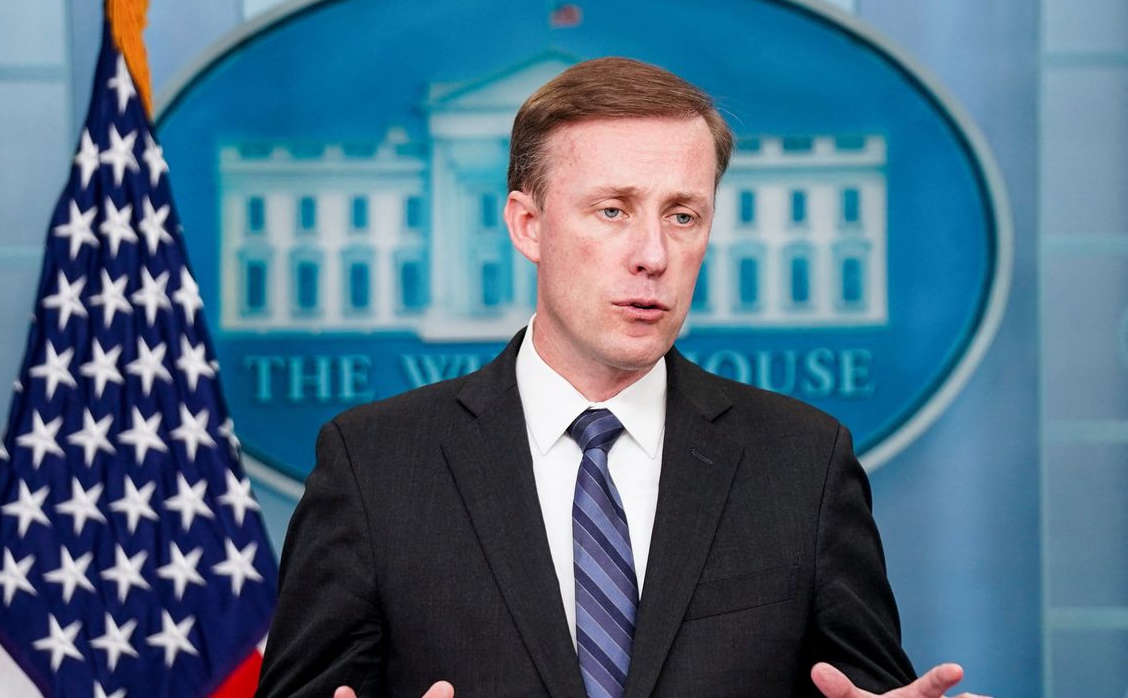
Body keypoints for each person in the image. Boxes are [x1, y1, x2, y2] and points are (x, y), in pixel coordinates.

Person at [257, 57, 982, 698]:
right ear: (527, 226)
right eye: (612, 210)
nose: (652, 255)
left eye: (682, 215)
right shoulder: (375, 465)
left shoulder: (802, 462)